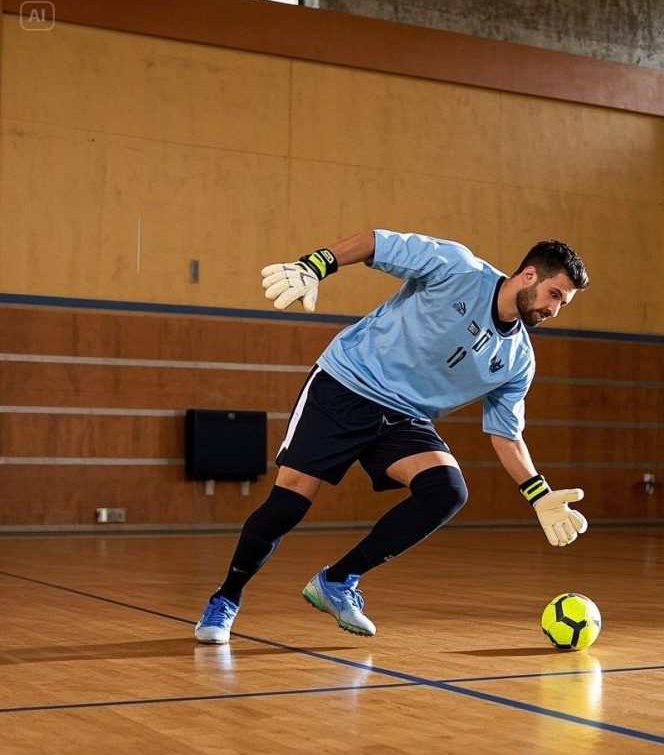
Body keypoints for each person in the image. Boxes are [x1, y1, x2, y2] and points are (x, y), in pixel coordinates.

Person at [195, 229, 590, 643]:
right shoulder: (457, 268)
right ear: (529, 276)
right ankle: (226, 598)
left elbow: (506, 436)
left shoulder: (517, 361)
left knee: (446, 491)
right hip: (347, 383)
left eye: (562, 301)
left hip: (406, 415)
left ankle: (339, 580)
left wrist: (538, 494)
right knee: (288, 504)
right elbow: (376, 243)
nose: (555, 309)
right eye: (555, 295)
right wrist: (316, 264)